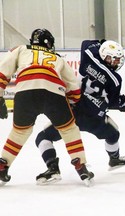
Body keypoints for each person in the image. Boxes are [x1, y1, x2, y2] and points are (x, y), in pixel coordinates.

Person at [0, 28, 94, 185]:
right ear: (49, 43)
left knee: (19, 132)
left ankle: (3, 165)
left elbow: (3, 73)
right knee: (69, 129)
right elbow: (74, 88)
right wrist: (73, 101)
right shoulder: (58, 58)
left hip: (25, 92)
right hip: (54, 92)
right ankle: (81, 166)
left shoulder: (21, 49)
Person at [35, 39, 125, 184]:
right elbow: (113, 101)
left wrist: (101, 43)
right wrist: (123, 103)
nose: (118, 62)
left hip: (72, 113)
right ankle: (114, 159)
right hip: (94, 117)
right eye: (116, 59)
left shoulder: (88, 56)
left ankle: (52, 167)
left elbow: (86, 42)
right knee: (113, 133)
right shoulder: (115, 79)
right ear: (107, 57)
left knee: (42, 138)